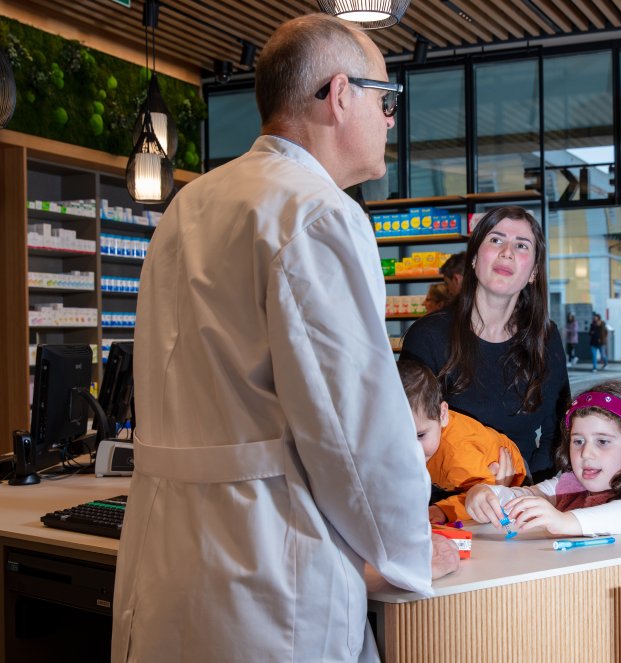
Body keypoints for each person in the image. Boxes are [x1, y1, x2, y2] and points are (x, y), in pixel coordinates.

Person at [112, 15, 458, 663]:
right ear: (338, 93)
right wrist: (407, 554)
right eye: (385, 100)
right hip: (272, 569)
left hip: (168, 558)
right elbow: (353, 429)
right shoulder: (317, 210)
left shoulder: (192, 204)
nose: (390, 120)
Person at [400, 206, 570, 479]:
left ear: (534, 272)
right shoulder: (428, 336)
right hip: (442, 502)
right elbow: (406, 435)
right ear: (474, 258)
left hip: (520, 498)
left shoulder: (546, 338)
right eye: (496, 240)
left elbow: (557, 430)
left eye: (521, 245)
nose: (507, 252)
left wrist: (523, 481)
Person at [465, 380, 621, 536]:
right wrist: (483, 494)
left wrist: (565, 521)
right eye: (578, 441)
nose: (585, 453)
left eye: (602, 441)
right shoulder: (568, 484)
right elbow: (527, 495)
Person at [397, 359, 527, 525]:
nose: (411, 448)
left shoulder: (457, 453)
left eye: (420, 435)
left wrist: (443, 510)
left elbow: (483, 497)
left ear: (442, 415)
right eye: (398, 438)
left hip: (510, 475)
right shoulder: (424, 432)